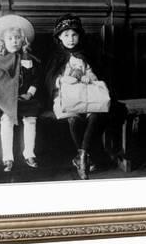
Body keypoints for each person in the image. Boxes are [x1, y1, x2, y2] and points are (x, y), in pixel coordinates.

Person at [44, 14, 104, 180]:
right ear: (59, 37)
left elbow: (94, 75)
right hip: (65, 98)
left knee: (94, 115)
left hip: (86, 96)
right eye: (66, 35)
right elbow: (49, 80)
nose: (70, 39)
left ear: (79, 36)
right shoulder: (56, 56)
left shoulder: (85, 55)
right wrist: (61, 80)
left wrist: (89, 78)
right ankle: (83, 156)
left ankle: (82, 156)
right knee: (73, 119)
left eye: (74, 35)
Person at [0, 14, 41, 172]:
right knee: (6, 120)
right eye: (10, 38)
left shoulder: (29, 59)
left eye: (17, 38)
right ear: (3, 41)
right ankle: (7, 158)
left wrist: (29, 93)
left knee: (30, 119)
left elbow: (36, 79)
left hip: (26, 99)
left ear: (23, 40)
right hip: (6, 101)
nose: (14, 41)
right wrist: (5, 99)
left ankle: (29, 153)